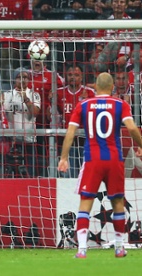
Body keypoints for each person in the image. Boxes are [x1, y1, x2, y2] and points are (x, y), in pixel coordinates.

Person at [58, 72, 142, 258]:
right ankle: (119, 247)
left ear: (95, 87)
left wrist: (64, 157)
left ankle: (81, 250)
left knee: (85, 203)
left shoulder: (83, 105)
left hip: (92, 159)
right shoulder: (121, 104)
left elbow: (71, 132)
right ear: (112, 87)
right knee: (118, 202)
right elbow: (131, 128)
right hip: (114, 159)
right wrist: (140, 145)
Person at [56, 65, 95, 178]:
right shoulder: (59, 93)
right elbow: (53, 116)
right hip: (67, 141)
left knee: (86, 174)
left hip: (85, 140)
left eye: (76, 75)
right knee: (69, 175)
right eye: (70, 75)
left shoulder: (89, 93)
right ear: (66, 77)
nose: (73, 77)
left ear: (81, 77)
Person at [1, 68, 41, 178]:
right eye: (19, 77)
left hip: (29, 139)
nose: (22, 80)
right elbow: (1, 115)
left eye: (25, 77)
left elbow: (35, 113)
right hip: (12, 140)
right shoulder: (7, 95)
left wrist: (26, 99)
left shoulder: (34, 94)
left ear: (29, 80)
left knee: (30, 173)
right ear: (15, 79)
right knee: (10, 175)